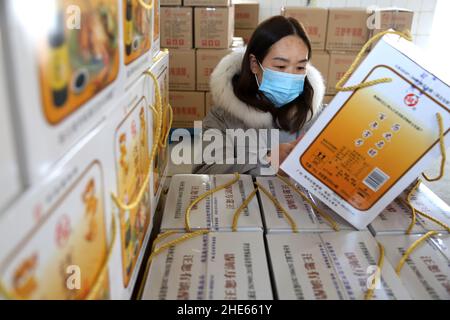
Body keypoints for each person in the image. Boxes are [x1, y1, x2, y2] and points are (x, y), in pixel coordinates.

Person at [192, 15, 326, 176]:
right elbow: (205, 171)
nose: (290, 76)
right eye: (281, 66)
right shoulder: (222, 118)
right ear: (255, 64)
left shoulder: (318, 117)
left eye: (300, 67)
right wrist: (267, 161)